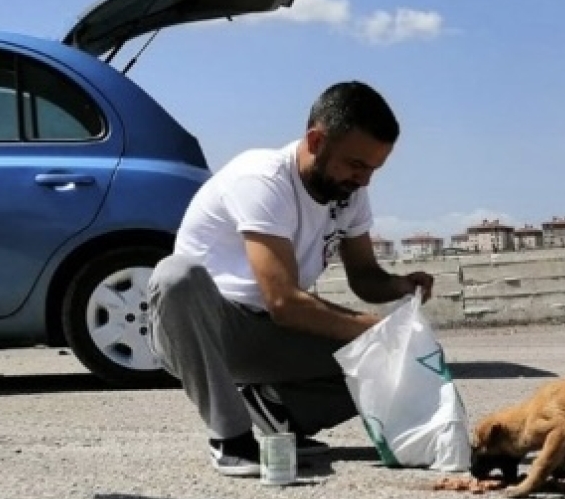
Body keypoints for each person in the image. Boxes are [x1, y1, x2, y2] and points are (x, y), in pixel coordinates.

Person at [147, 80, 434, 476]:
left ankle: (275, 410)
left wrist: (401, 286)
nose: (364, 180)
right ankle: (231, 438)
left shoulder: (347, 191)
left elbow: (365, 277)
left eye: (373, 169)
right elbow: (283, 302)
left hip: (267, 335)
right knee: (175, 275)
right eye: (356, 165)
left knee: (388, 357)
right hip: (208, 330)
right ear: (316, 141)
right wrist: (373, 328)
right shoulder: (262, 179)